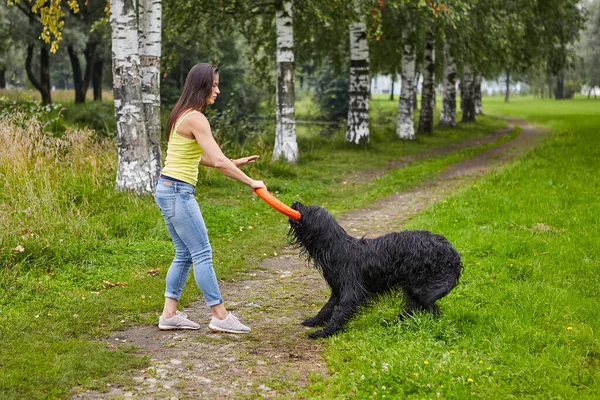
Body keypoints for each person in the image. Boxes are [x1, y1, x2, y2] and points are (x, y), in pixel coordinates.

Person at [154, 63, 266, 334]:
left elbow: (197, 156)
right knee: (202, 252)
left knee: (184, 253)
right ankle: (220, 315)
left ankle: (169, 315)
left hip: (167, 189)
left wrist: (234, 161)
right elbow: (217, 161)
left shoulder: (181, 114)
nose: (217, 90)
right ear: (201, 86)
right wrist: (250, 181)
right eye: (214, 85)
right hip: (178, 192)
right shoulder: (196, 118)